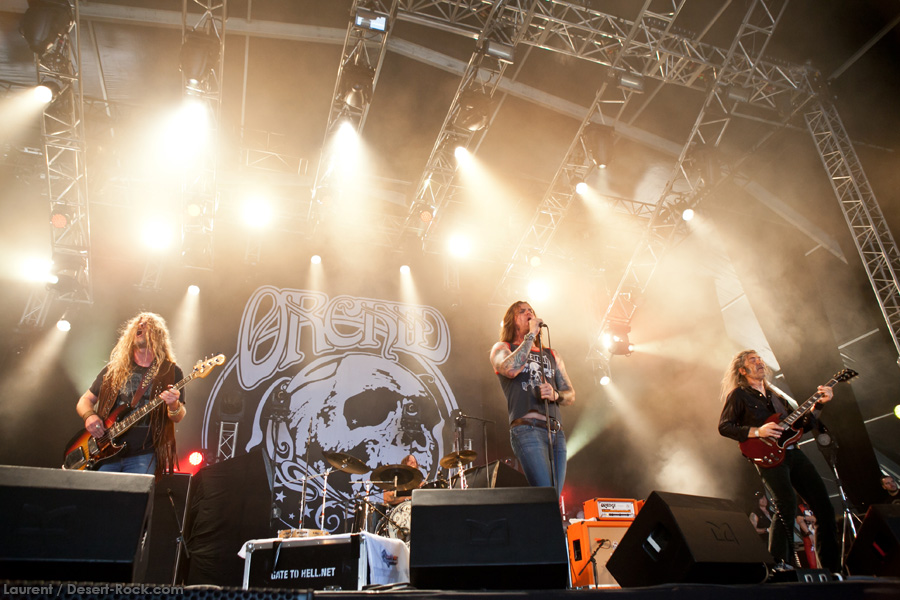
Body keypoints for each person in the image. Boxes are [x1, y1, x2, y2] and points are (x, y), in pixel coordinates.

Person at [718, 350, 840, 572]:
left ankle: (832, 570)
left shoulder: (778, 397)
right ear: (742, 370)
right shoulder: (739, 395)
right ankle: (778, 566)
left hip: (793, 452)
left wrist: (819, 405)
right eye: (753, 360)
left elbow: (804, 426)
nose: (759, 362)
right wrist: (758, 431)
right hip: (767, 456)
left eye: (760, 359)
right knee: (786, 504)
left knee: (824, 506)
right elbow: (725, 426)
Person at [75, 312, 186, 475]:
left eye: (147, 324)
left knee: (135, 492)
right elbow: (85, 400)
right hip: (104, 451)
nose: (141, 325)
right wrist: (89, 416)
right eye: (138, 324)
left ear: (157, 334)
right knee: (97, 491)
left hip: (143, 454)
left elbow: (178, 416)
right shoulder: (113, 369)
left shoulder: (170, 371)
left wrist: (173, 404)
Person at [490, 301, 574, 496]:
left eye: (531, 310)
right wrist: (530, 336)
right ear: (512, 321)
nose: (529, 313)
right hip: (527, 429)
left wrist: (556, 395)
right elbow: (511, 370)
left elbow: (570, 394)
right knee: (545, 493)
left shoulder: (552, 354)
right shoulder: (503, 347)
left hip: (556, 432)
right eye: (522, 311)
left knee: (553, 497)